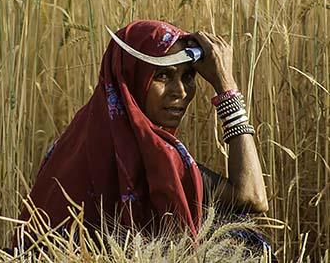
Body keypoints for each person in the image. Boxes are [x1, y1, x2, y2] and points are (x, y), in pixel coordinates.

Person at [17, 20, 269, 250]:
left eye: (188, 76)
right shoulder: (157, 157)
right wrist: (227, 88)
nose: (180, 91)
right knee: (239, 233)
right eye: (163, 75)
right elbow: (253, 197)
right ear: (131, 79)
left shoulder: (72, 140)